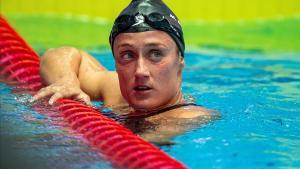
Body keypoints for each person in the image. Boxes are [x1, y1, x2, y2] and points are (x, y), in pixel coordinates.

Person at [31, 0, 216, 143]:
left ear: (180, 60)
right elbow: (57, 54)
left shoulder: (189, 117)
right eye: (128, 55)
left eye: (156, 54)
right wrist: (66, 80)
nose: (140, 71)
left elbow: (136, 147)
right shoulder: (116, 91)